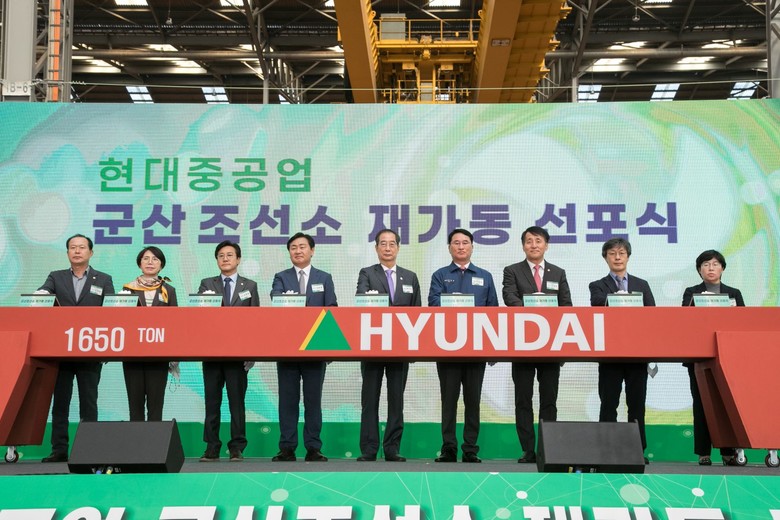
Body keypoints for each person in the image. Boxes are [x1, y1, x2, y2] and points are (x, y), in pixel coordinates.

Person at [38, 234, 115, 463]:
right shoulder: (56, 277)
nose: (77, 251)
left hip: (91, 351)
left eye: (82, 247)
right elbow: (43, 294)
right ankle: (59, 449)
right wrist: (41, 294)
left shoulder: (104, 279)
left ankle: (89, 450)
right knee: (60, 402)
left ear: (91, 252)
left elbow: (113, 312)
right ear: (67, 253)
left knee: (88, 403)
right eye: (73, 247)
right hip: (61, 350)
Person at [502, 225, 572, 463]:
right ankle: (528, 450)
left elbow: (566, 306)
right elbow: (510, 298)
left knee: (548, 400)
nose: (534, 245)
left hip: (551, 346)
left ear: (546, 245)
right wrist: (535, 310)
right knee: (523, 399)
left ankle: (547, 448)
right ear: (523, 246)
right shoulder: (512, 271)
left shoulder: (558, 273)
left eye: (538, 241)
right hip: (522, 344)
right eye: (529, 241)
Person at [428, 228, 498, 463]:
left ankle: (470, 449)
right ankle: (448, 448)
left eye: (465, 242)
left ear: (472, 247)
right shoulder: (440, 275)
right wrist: (457, 302)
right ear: (449, 247)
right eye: (456, 243)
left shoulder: (485, 276)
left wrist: (492, 349)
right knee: (448, 401)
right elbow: (433, 303)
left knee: (473, 401)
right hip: (447, 349)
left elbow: (494, 312)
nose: (460, 246)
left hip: (476, 349)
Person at [355, 229, 421, 462]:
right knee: (369, 400)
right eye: (383, 244)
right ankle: (369, 448)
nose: (387, 248)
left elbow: (417, 313)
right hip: (372, 345)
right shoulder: (367, 273)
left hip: (400, 347)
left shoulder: (410, 277)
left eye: (392, 244)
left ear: (398, 248)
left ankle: (392, 448)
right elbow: (362, 302)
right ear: (376, 248)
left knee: (396, 401)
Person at [271, 232, 337, 462]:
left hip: (315, 349)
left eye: (302, 247)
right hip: (287, 349)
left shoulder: (324, 278)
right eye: (293, 248)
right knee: (287, 401)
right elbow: (277, 303)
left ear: (312, 250)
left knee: (313, 401)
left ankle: (313, 448)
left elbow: (331, 310)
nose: (298, 251)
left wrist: (328, 349)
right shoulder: (281, 278)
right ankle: (287, 447)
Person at [589, 237, 655, 462]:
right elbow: (597, 304)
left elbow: (652, 314)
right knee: (609, 404)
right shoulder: (598, 285)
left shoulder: (641, 285)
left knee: (636, 405)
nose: (617, 258)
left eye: (621, 253)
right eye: (612, 254)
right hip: (610, 354)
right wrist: (620, 300)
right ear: (605, 258)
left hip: (637, 354)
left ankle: (636, 451)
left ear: (628, 257)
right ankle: (605, 451)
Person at [198, 240, 259, 462]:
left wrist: (252, 353)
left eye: (230, 255)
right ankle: (212, 446)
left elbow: (256, 320)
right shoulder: (207, 284)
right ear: (217, 260)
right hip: (212, 353)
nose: (225, 258)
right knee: (212, 402)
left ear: (238, 259)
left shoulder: (249, 285)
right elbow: (200, 317)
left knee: (237, 403)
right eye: (221, 255)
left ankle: (237, 447)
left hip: (238, 355)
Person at [682, 249, 743, 466]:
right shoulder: (691, 292)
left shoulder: (734, 293)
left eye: (715, 264)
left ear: (722, 269)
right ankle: (703, 453)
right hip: (698, 357)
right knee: (701, 404)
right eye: (706, 264)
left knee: (726, 405)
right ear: (699, 270)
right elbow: (684, 320)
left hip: (727, 357)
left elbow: (743, 323)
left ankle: (728, 452)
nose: (711, 268)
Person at [121, 246, 177, 422]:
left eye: (155, 259)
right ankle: (135, 439)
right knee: (135, 405)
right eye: (146, 258)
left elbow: (175, 324)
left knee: (156, 405)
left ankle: (155, 440)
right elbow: (120, 322)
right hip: (132, 354)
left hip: (159, 354)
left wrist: (174, 354)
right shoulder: (127, 289)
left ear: (161, 265)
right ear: (139, 263)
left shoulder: (169, 290)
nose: (150, 262)